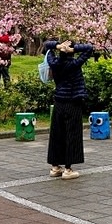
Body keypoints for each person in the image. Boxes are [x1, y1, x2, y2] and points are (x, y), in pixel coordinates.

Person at [46, 39, 94, 180]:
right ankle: (68, 169)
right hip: (73, 102)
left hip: (59, 102)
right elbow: (89, 48)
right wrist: (73, 49)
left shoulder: (53, 62)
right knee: (72, 134)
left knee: (57, 134)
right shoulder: (74, 64)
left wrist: (57, 46)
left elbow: (46, 47)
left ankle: (55, 167)